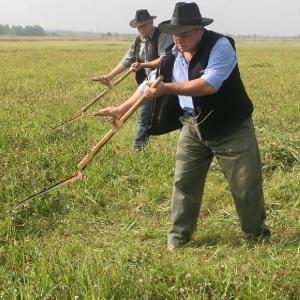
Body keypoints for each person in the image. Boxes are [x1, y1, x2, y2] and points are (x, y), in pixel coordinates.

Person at [94, 2, 271, 251]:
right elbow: (149, 85)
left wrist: (167, 88)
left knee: (245, 185)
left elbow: (208, 84)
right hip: (193, 125)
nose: (180, 39)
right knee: (184, 182)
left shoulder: (221, 46)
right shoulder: (172, 53)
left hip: (231, 127)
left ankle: (257, 237)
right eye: (176, 34)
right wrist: (121, 109)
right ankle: (178, 238)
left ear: (200, 29)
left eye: (186, 34)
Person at [93, 9, 172, 150]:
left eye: (143, 26)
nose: (141, 29)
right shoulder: (138, 41)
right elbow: (127, 60)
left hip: (167, 80)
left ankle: (138, 148)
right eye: (138, 27)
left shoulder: (162, 36)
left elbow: (165, 60)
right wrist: (110, 76)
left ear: (151, 22)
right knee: (145, 115)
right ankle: (139, 148)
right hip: (150, 83)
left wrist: (143, 65)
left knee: (169, 115)